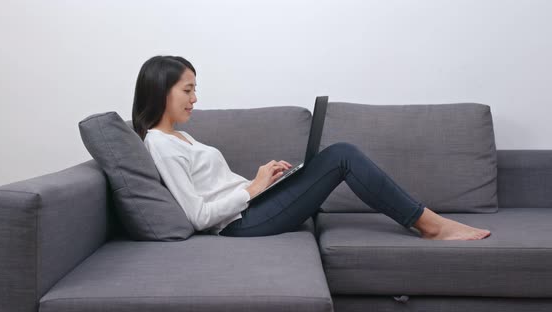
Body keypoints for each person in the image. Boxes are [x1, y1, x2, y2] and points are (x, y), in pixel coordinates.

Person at [132, 55, 491, 240]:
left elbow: (216, 187)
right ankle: (431, 225)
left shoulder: (181, 137)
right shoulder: (160, 144)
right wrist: (253, 189)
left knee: (338, 155)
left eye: (195, 89)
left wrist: (263, 182)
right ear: (161, 90)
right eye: (188, 89)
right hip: (239, 225)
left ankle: (429, 223)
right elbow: (197, 216)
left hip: (251, 207)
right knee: (342, 155)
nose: (196, 98)